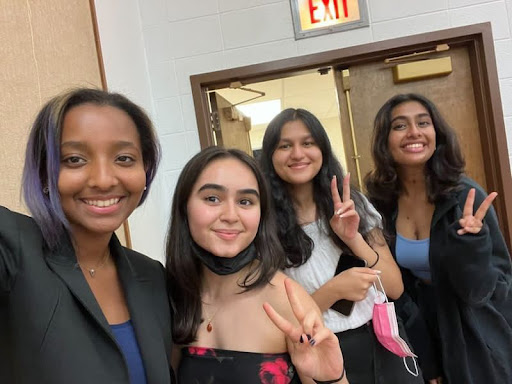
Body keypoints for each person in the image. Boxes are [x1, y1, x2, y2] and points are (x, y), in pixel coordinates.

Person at [0, 88, 174, 384]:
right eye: (75, 160)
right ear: (44, 173)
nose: (104, 180)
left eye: (124, 158)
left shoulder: (152, 275)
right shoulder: (12, 247)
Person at [259, 108, 421, 384]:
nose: (298, 154)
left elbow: (395, 287)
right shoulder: (263, 225)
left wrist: (352, 238)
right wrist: (332, 292)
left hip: (385, 341)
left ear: (322, 149)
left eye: (308, 143)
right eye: (285, 145)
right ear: (270, 156)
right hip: (321, 354)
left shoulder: (352, 205)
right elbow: (280, 323)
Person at [166, 146, 346, 384]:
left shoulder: (287, 300)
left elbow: (323, 372)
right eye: (212, 198)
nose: (231, 215)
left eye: (245, 201)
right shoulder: (174, 295)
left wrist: (332, 379)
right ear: (184, 207)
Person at [365, 93, 512, 384]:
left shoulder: (465, 198)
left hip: (476, 330)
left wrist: (471, 245)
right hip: (422, 327)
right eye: (400, 126)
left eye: (423, 123)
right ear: (385, 140)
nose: (414, 132)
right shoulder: (382, 203)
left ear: (437, 133)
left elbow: (488, 289)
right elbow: (394, 289)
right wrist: (426, 355)